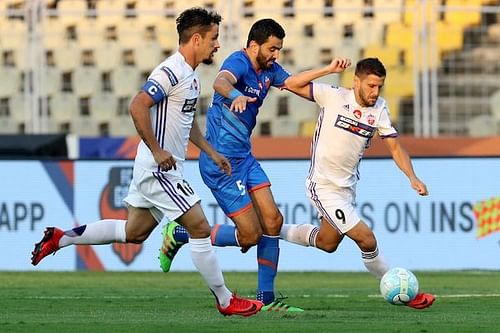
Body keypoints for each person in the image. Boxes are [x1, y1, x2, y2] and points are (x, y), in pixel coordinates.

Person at [30, 7, 263, 317]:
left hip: (158, 166)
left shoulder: (190, 79)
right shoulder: (171, 70)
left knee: (134, 232)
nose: (217, 45)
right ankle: (225, 300)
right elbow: (138, 105)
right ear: (196, 39)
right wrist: (157, 151)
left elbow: (186, 123)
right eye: (213, 38)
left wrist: (210, 151)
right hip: (159, 169)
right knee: (200, 227)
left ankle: (61, 238)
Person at [158, 18, 350, 312]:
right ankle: (179, 233)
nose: (276, 55)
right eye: (272, 49)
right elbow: (220, 82)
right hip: (220, 164)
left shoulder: (270, 71)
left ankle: (267, 299)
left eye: (279, 50)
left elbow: (294, 83)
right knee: (250, 235)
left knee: (273, 220)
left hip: (245, 158)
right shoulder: (239, 61)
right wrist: (235, 96)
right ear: (254, 45)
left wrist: (329, 70)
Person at [277, 57, 435, 309]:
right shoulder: (333, 96)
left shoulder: (380, 109)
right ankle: (401, 289)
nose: (375, 92)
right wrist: (328, 70)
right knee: (366, 239)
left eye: (380, 87)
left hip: (346, 190)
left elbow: (395, 148)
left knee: (327, 243)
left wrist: (412, 176)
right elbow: (290, 83)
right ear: (356, 82)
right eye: (371, 85)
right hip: (323, 186)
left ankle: (272, 230)